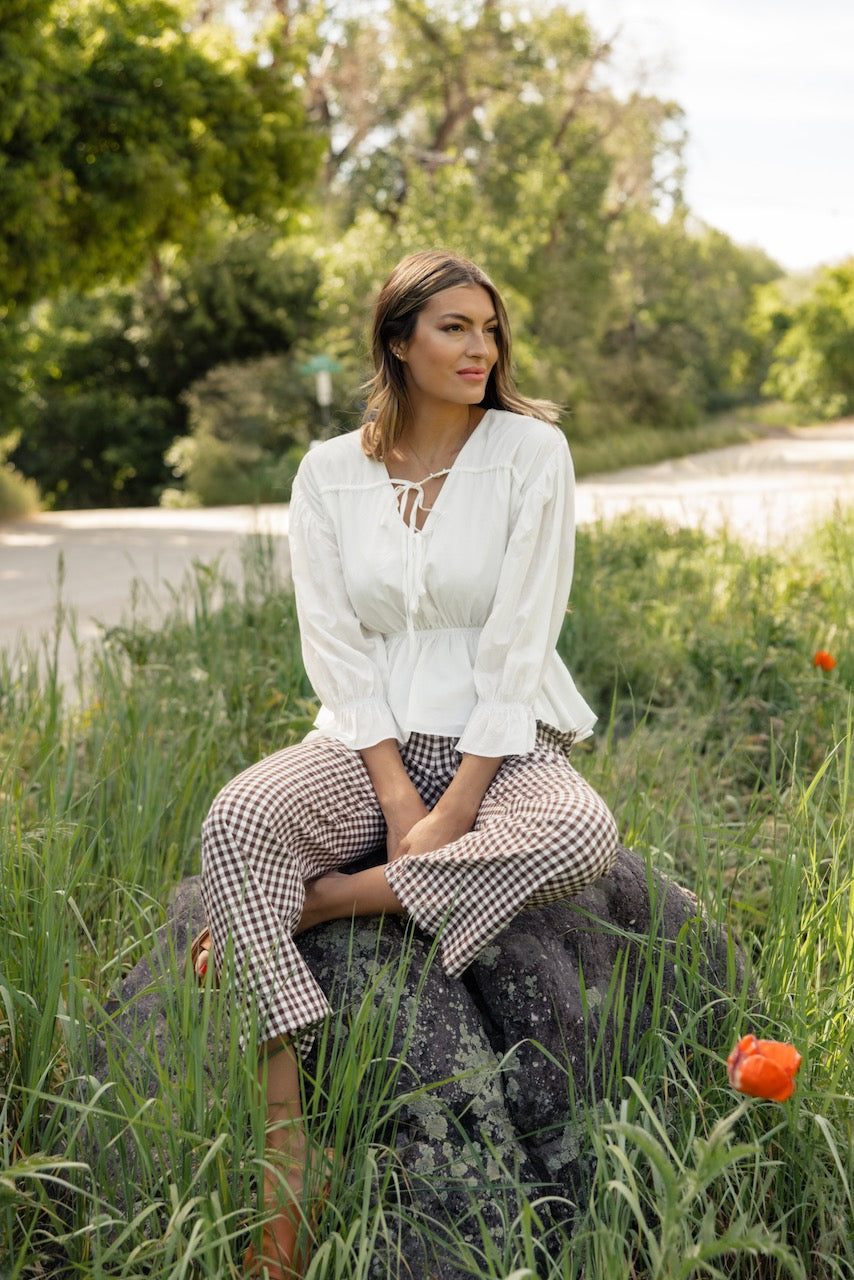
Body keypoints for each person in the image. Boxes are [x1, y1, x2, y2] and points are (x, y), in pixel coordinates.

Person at [194, 249, 619, 1277]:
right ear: (396, 340)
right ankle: (285, 1162)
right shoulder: (327, 471)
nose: (480, 348)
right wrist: (393, 788)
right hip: (360, 736)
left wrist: (456, 802)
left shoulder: (530, 452)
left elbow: (519, 638)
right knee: (238, 819)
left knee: (577, 829)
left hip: (502, 741)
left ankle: (323, 901)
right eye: (453, 329)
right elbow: (334, 643)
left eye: (489, 329)